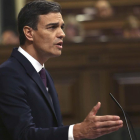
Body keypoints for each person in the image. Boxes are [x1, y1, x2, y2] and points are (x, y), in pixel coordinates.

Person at [0, 1, 123, 140]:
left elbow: (52, 128)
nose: (62, 34)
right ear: (29, 33)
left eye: (61, 27)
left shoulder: (44, 74)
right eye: (52, 27)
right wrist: (76, 131)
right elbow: (23, 135)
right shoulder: (8, 74)